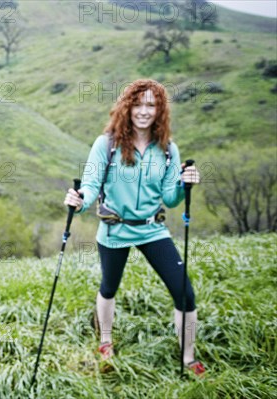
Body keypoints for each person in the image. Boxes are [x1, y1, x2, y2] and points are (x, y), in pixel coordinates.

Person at [64, 79, 205, 375]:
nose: (143, 111)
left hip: (152, 229)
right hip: (115, 230)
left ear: (160, 110)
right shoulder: (107, 144)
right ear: (127, 107)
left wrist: (183, 185)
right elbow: (90, 185)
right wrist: (80, 201)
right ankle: (105, 340)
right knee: (109, 287)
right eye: (138, 104)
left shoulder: (167, 150)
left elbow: (170, 197)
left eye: (151, 105)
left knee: (185, 292)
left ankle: (188, 358)